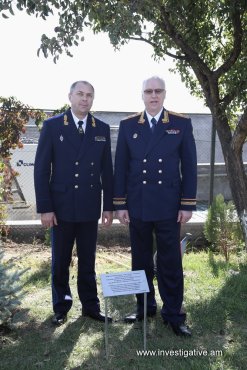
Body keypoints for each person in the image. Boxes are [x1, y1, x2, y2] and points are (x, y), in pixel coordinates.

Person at [113, 76, 197, 336]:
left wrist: (187, 203)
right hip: (137, 204)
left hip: (169, 206)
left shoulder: (180, 124)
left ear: (164, 94)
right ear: (142, 95)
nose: (153, 95)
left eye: (158, 91)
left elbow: (190, 166)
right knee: (140, 260)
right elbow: (121, 168)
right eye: (148, 91)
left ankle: (173, 314)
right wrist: (120, 204)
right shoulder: (128, 126)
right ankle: (144, 307)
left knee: (170, 261)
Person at [34, 80, 114, 325]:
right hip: (61, 207)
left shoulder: (101, 128)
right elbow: (41, 169)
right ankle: (61, 306)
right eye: (80, 94)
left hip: (89, 207)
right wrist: (45, 207)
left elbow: (106, 171)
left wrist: (108, 206)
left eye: (89, 95)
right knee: (60, 261)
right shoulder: (53, 126)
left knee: (88, 260)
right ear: (70, 96)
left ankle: (90, 306)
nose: (85, 99)